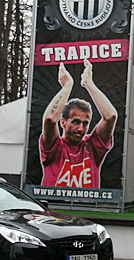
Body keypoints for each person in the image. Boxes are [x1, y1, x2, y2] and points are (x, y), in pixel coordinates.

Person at [40, 59, 117, 188]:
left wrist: (88, 83)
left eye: (85, 123)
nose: (81, 128)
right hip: (54, 204)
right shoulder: (55, 146)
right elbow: (49, 119)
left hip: (87, 206)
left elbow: (111, 116)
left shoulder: (92, 147)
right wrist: (68, 85)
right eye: (76, 122)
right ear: (63, 122)